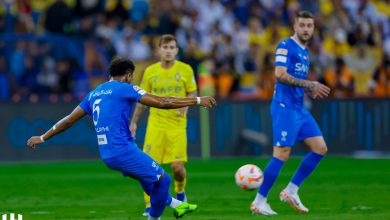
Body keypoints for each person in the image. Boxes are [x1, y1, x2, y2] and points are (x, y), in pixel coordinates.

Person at [27, 57, 217, 220]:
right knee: (163, 180)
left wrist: (42, 137)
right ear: (128, 75)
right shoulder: (126, 88)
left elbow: (68, 121)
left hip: (108, 154)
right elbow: (163, 102)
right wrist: (197, 100)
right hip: (123, 150)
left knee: (148, 179)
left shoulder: (94, 93)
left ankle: (176, 205)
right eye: (132, 76)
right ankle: (155, 217)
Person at [250, 11, 331, 216]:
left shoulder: (305, 52)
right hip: (284, 107)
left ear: (313, 28)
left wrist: (306, 87)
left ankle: (291, 190)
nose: (305, 29)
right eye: (302, 25)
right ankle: (259, 201)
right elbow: (279, 75)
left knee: (320, 148)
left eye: (309, 26)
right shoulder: (285, 46)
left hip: (298, 108)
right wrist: (309, 84)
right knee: (282, 154)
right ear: (295, 26)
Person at [130, 34, 197, 216]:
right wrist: (134, 122)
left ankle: (181, 192)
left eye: (172, 48)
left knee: (177, 168)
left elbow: (192, 92)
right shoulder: (150, 71)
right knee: (147, 168)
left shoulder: (186, 69)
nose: (168, 51)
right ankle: (150, 204)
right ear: (159, 50)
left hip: (177, 125)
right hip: (156, 125)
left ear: (176, 50)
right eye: (165, 47)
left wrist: (187, 104)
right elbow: (142, 99)